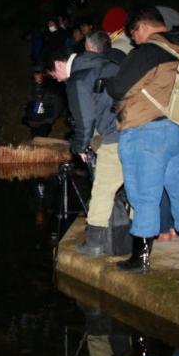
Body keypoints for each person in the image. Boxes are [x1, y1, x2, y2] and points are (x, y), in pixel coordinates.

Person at [106, 7, 179, 273]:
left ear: (141, 28)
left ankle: (140, 258)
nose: (134, 40)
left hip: (149, 132)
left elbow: (118, 88)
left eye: (133, 35)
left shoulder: (146, 52)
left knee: (144, 194)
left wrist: (107, 83)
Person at [63, 30, 126, 256]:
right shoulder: (118, 64)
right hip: (136, 131)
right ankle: (141, 239)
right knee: (137, 187)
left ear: (88, 48)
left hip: (113, 137)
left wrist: (80, 146)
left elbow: (86, 117)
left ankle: (95, 243)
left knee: (102, 190)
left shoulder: (82, 76)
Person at [22, 69, 64, 138]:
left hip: (45, 121)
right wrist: (26, 116)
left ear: (43, 75)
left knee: (41, 139)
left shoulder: (51, 87)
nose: (37, 76)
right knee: (34, 139)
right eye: (35, 74)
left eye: (39, 74)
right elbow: (28, 102)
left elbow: (58, 104)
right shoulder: (32, 86)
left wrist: (51, 119)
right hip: (33, 121)